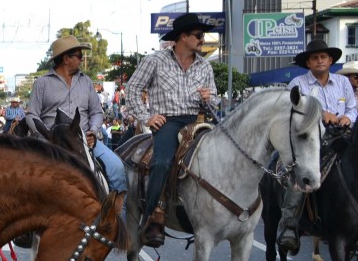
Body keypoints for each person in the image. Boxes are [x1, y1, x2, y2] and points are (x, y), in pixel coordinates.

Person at [126, 13, 218, 247]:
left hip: (198, 120)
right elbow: (133, 88)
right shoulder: (155, 60)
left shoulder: (205, 66)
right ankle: (152, 216)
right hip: (168, 121)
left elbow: (213, 102)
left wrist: (210, 98)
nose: (202, 39)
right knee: (162, 162)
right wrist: (147, 117)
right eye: (198, 35)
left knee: (222, 156)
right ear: (183, 37)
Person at [275, 39, 358, 253]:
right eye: (315, 58)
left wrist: (348, 118)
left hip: (343, 136)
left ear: (330, 60)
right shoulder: (298, 83)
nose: (320, 60)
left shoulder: (343, 82)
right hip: (311, 140)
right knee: (298, 174)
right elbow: (291, 112)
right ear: (308, 63)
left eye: (323, 57)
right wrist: (321, 114)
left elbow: (352, 109)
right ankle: (289, 225)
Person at [25, 35, 127, 193]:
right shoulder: (42, 83)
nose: (81, 60)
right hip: (52, 142)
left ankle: (116, 216)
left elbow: (96, 112)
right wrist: (45, 135)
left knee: (117, 169)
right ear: (66, 58)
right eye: (79, 56)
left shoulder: (86, 81)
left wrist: (93, 131)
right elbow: (32, 115)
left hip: (85, 140)